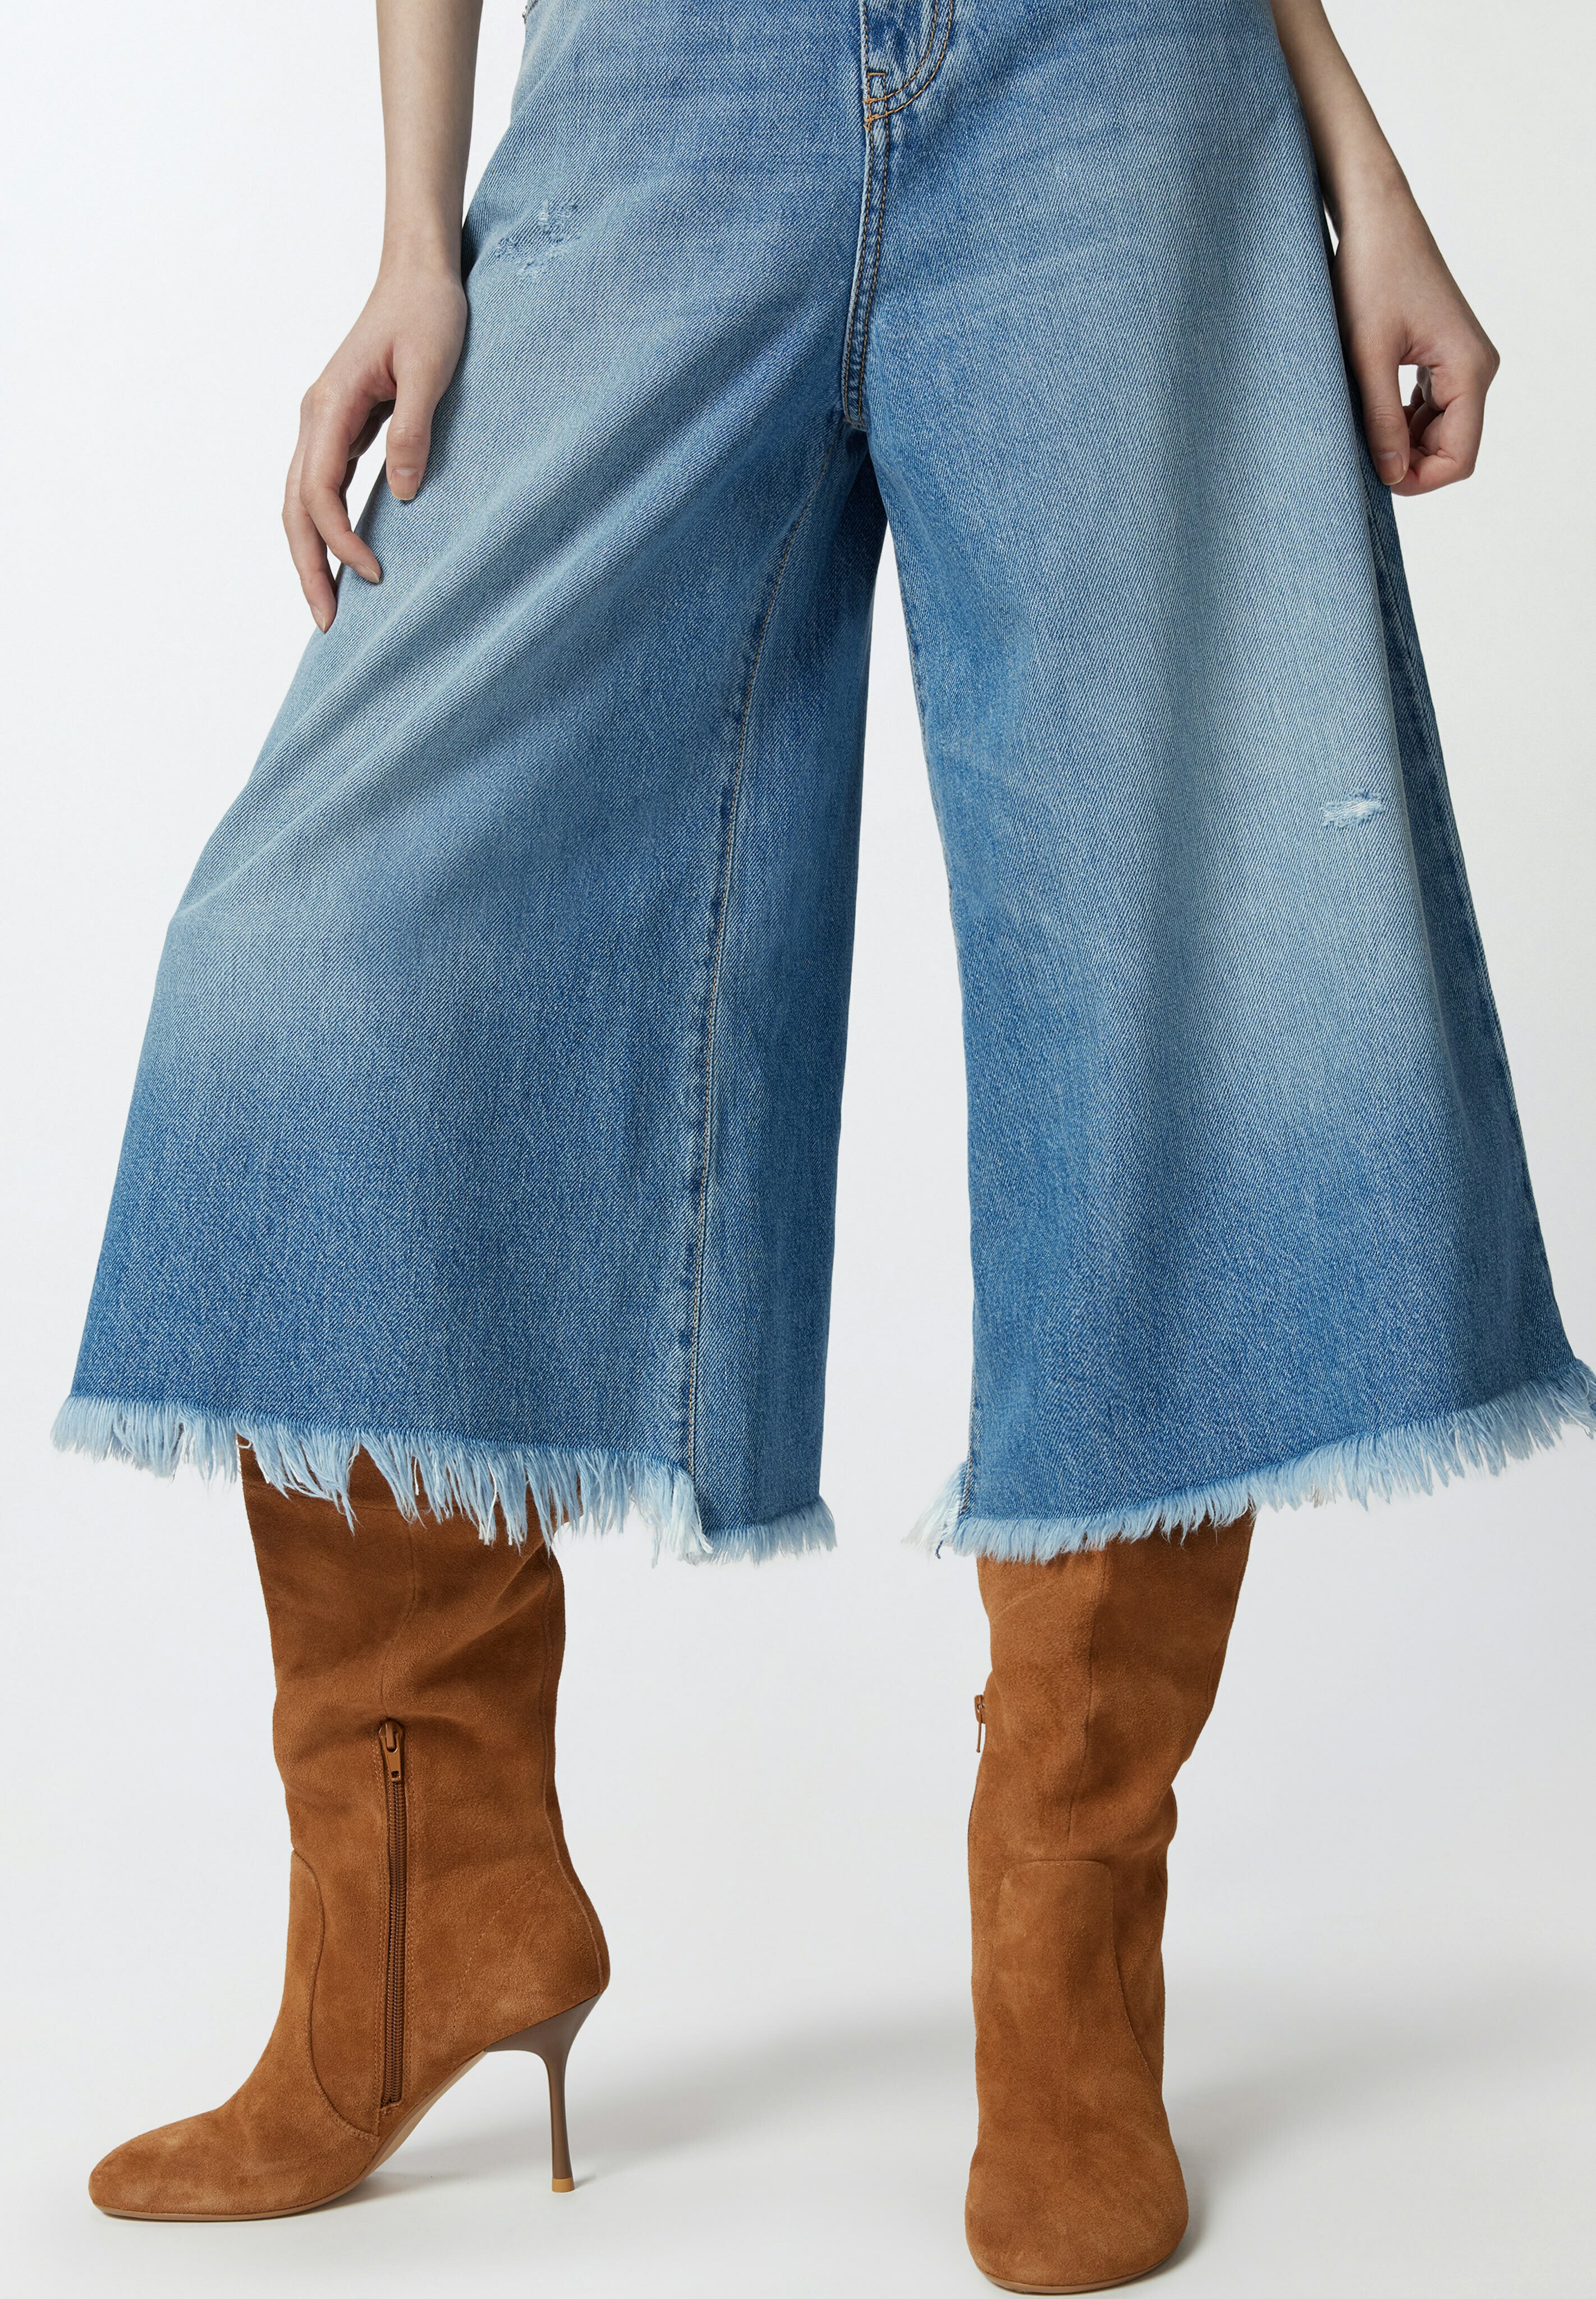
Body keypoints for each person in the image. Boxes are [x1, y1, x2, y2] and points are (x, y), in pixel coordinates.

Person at [55, 0, 1591, 2284]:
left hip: (1118, 84)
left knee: (1175, 969)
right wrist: (411, 229)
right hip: (668, 82)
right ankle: (427, 1908)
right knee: (316, 957)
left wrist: (1354, 162)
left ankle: (1072, 1959)